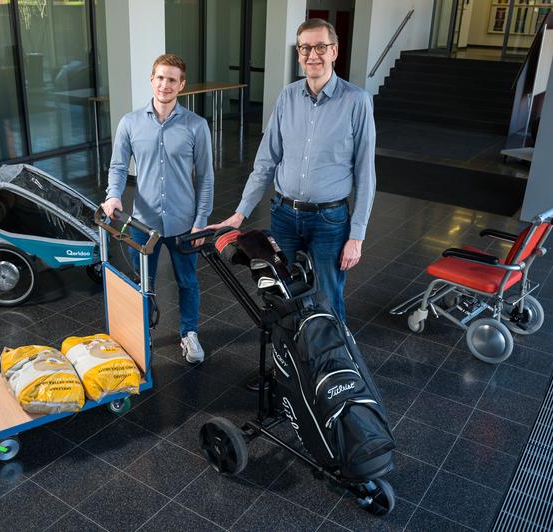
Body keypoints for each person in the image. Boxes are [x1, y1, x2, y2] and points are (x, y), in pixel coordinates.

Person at [209, 18, 376, 322]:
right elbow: (266, 160)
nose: (313, 54)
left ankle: (332, 361)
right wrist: (241, 212)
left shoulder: (357, 101)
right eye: (305, 48)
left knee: (328, 296)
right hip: (284, 216)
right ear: (299, 53)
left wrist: (357, 236)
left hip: (329, 220)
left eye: (320, 47)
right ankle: (291, 360)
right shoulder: (287, 96)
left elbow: (366, 173)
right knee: (281, 293)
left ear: (334, 51)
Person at [102, 54, 214, 364]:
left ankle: (189, 333)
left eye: (172, 79)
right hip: (143, 224)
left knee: (188, 282)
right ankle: (144, 332)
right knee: (142, 284)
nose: (165, 84)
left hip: (183, 222)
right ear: (152, 80)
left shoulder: (196, 126)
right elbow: (118, 166)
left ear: (182, 85)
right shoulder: (130, 122)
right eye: (160, 78)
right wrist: (113, 195)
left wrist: (201, 221)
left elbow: (206, 178)